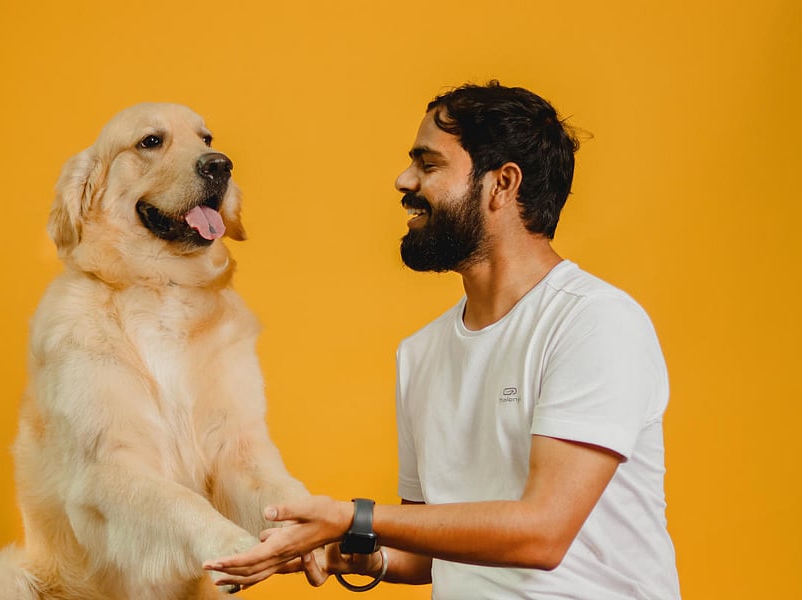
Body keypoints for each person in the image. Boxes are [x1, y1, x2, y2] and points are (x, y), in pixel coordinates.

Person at [203, 81, 681, 599]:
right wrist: (340, 544)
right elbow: (426, 548)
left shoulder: (593, 322)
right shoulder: (421, 352)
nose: (403, 180)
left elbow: (542, 533)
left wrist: (351, 514)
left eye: (428, 164)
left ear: (503, 184)